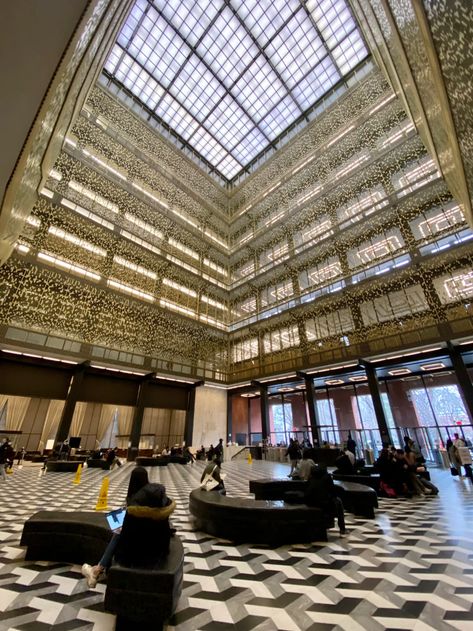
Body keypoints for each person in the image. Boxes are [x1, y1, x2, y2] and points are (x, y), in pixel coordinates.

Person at [82, 469, 175, 587]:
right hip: (160, 544)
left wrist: (122, 527)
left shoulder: (136, 504)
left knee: (117, 533)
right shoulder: (157, 498)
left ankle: (97, 570)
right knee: (119, 531)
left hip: (139, 550)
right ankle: (98, 568)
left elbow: (129, 532)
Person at [304, 465, 347, 535]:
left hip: (311, 502)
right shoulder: (327, 477)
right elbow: (332, 490)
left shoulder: (311, 477)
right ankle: (342, 528)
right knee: (339, 502)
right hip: (324, 503)